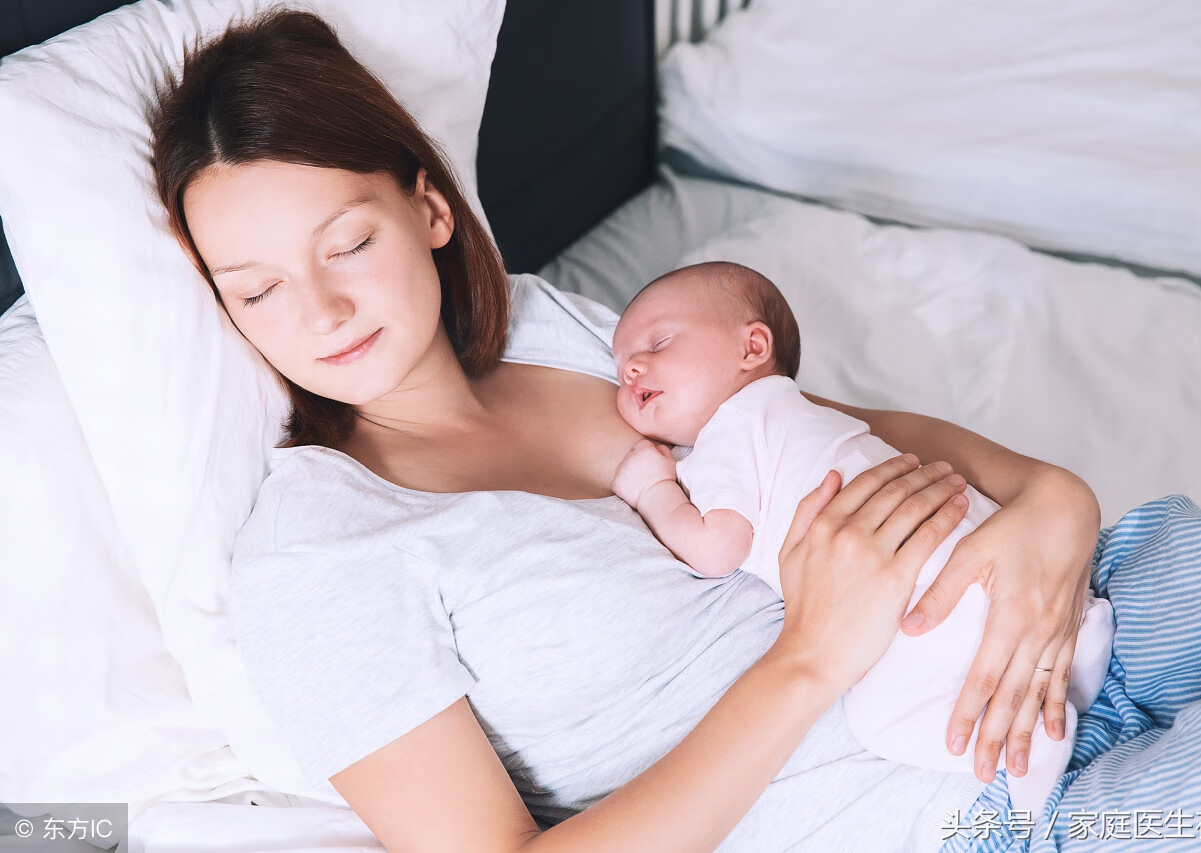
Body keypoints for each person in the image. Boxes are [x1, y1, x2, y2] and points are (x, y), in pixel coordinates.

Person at [149, 10, 1114, 852]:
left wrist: (1051, 498)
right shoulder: (320, 555)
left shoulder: (546, 329)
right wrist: (809, 656)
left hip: (1057, 597)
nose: (321, 311)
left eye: (349, 243)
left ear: (430, 208)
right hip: (967, 800)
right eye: (260, 290)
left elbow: (803, 421)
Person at [609, 261, 1115, 820]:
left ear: (753, 346)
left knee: (878, 719)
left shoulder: (723, 436)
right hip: (980, 541)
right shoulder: (797, 409)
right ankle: (1086, 636)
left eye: (658, 343)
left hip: (915, 603)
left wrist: (654, 491)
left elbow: (717, 547)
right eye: (620, 369)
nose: (632, 368)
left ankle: (1030, 746)